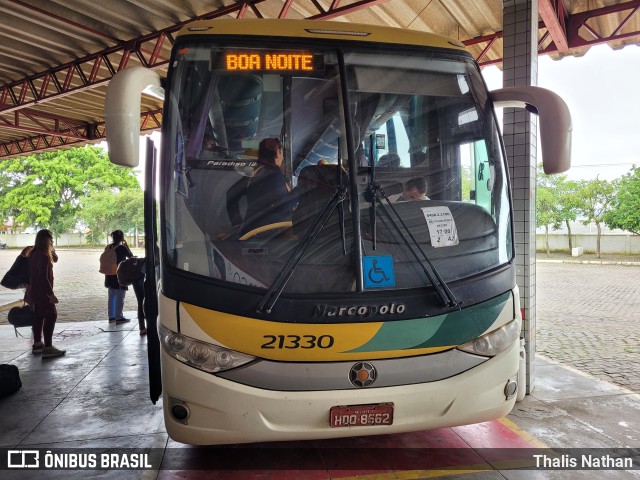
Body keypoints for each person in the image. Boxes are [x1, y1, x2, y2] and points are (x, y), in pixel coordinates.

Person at [227, 138, 297, 236]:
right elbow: (282, 208)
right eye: (282, 154)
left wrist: (237, 224)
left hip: (249, 232)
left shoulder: (256, 173)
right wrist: (297, 194)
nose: (283, 158)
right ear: (278, 152)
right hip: (270, 236)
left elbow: (231, 194)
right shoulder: (274, 175)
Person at [26, 229, 65, 358]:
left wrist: (52, 249)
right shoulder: (42, 256)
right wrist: (51, 294)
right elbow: (43, 277)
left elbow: (56, 259)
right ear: (46, 240)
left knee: (38, 317)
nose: (52, 241)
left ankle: (37, 344)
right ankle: (48, 347)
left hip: (33, 292)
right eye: (51, 239)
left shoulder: (33, 253)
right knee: (51, 315)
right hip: (42, 292)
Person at [104, 230, 133, 324]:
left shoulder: (108, 247)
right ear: (122, 237)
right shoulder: (122, 248)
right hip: (119, 275)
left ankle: (111, 317)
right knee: (120, 296)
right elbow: (131, 256)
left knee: (111, 296)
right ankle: (119, 316)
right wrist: (126, 245)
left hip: (109, 275)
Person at [132, 258, 146, 335]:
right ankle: (144, 328)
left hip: (136, 280)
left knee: (140, 304)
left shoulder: (143, 260)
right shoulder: (153, 259)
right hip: (140, 281)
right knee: (143, 304)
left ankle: (142, 328)